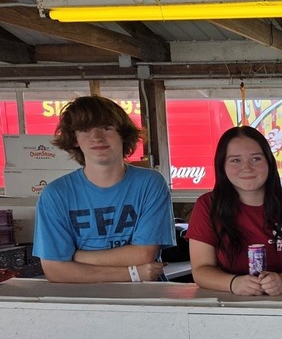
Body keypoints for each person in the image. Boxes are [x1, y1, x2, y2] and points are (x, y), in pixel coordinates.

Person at [33, 95, 176, 283]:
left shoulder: (150, 183)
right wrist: (133, 273)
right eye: (84, 130)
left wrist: (75, 257)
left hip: (145, 300)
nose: (96, 137)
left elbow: (143, 255)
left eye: (106, 128)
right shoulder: (56, 194)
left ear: (122, 134)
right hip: (83, 303)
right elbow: (55, 270)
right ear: (74, 138)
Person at [187, 126, 282, 295]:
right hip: (227, 305)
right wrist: (233, 283)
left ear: (269, 162)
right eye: (235, 160)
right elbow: (201, 271)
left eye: (256, 159)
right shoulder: (207, 205)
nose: (247, 168)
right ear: (222, 165)